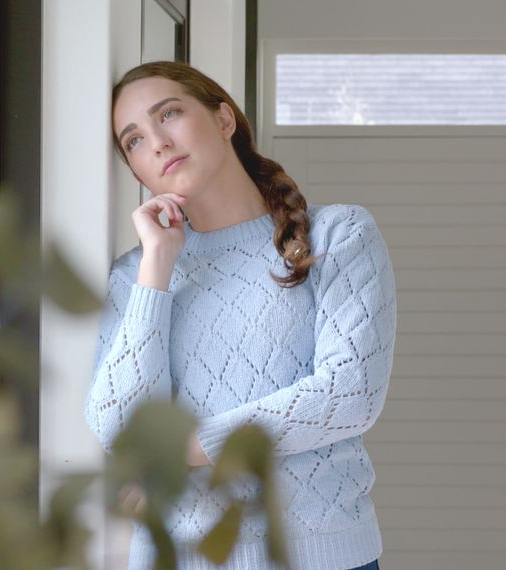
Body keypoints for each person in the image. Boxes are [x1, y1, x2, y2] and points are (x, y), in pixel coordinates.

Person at [85, 61, 395, 570]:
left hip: (321, 555)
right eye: (134, 140)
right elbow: (120, 427)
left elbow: (350, 393)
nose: (157, 142)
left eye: (170, 114)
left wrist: (182, 448)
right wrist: (158, 265)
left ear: (224, 119)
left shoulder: (338, 235)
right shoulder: (135, 276)